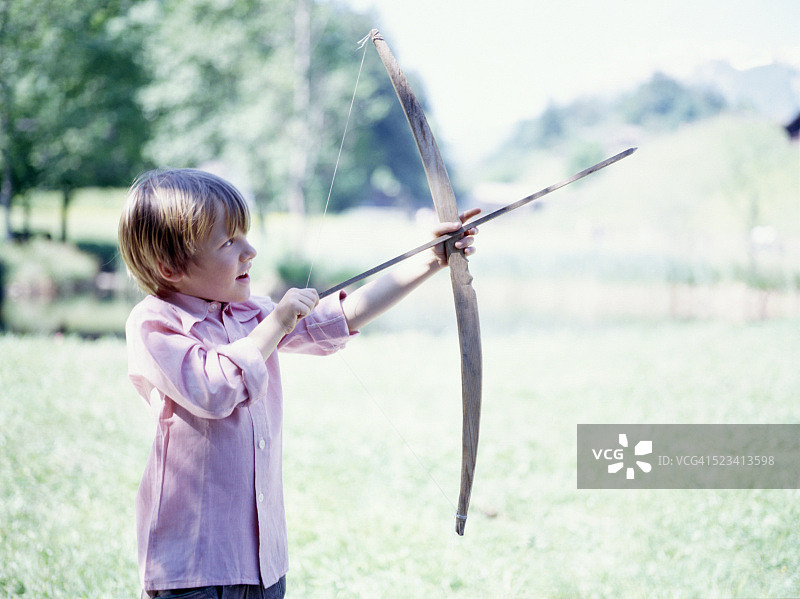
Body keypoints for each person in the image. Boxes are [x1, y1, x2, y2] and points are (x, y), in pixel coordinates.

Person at [117, 168, 478, 598]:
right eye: (228, 242)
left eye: (244, 236)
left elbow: (343, 316)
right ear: (170, 266)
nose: (249, 251)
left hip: (262, 563)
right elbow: (213, 390)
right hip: (194, 568)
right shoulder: (155, 323)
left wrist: (431, 259)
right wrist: (279, 320)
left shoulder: (251, 315)